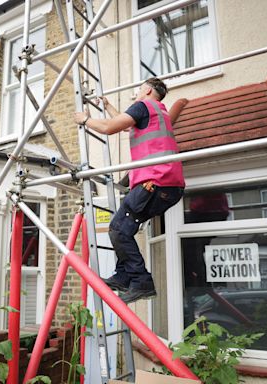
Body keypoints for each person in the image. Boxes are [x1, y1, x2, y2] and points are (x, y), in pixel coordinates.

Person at [74, 77, 185, 303]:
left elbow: (108, 128)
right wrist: (108, 107)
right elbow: (127, 125)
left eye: (139, 88)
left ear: (146, 89)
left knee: (117, 229)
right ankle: (124, 276)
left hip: (154, 181)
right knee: (124, 227)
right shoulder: (159, 112)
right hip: (168, 185)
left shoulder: (143, 106)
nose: (136, 91)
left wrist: (85, 120)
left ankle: (141, 281)